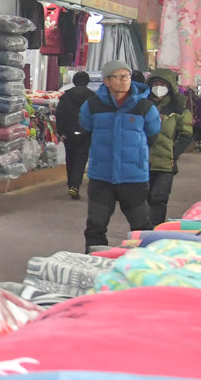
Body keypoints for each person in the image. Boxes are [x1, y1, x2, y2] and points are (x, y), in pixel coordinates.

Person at [79, 60, 161, 252]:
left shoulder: (144, 106)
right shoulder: (92, 105)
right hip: (101, 177)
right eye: (119, 76)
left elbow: (153, 134)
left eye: (127, 76)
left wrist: (136, 155)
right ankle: (94, 261)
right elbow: (85, 129)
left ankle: (144, 263)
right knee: (95, 226)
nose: (125, 80)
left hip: (133, 177)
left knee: (142, 228)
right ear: (107, 81)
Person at [146, 68, 194, 226]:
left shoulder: (178, 110)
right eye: (156, 84)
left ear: (170, 87)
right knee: (142, 199)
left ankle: (154, 229)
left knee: (159, 198)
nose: (159, 88)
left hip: (166, 164)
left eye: (163, 84)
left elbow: (186, 135)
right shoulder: (143, 105)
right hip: (142, 162)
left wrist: (173, 153)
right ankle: (141, 229)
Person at [56, 71, 95, 200]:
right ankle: (75, 185)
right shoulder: (92, 97)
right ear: (87, 82)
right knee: (81, 158)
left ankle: (71, 184)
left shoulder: (66, 96)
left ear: (74, 81)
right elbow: (95, 116)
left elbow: (60, 114)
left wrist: (61, 131)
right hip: (85, 133)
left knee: (70, 158)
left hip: (69, 132)